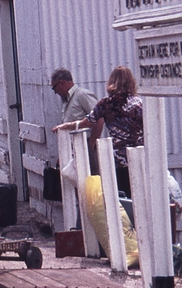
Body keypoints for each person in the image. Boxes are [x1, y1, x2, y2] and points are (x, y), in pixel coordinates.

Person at [53, 65, 142, 197]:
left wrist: (64, 126)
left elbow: (86, 122)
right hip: (139, 156)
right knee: (140, 196)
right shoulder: (138, 103)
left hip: (118, 159)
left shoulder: (106, 103)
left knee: (120, 198)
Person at [51, 67, 100, 172]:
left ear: (62, 83)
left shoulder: (82, 95)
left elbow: (99, 118)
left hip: (85, 143)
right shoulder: (66, 100)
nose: (56, 92)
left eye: (55, 88)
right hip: (72, 145)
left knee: (89, 178)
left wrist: (92, 142)